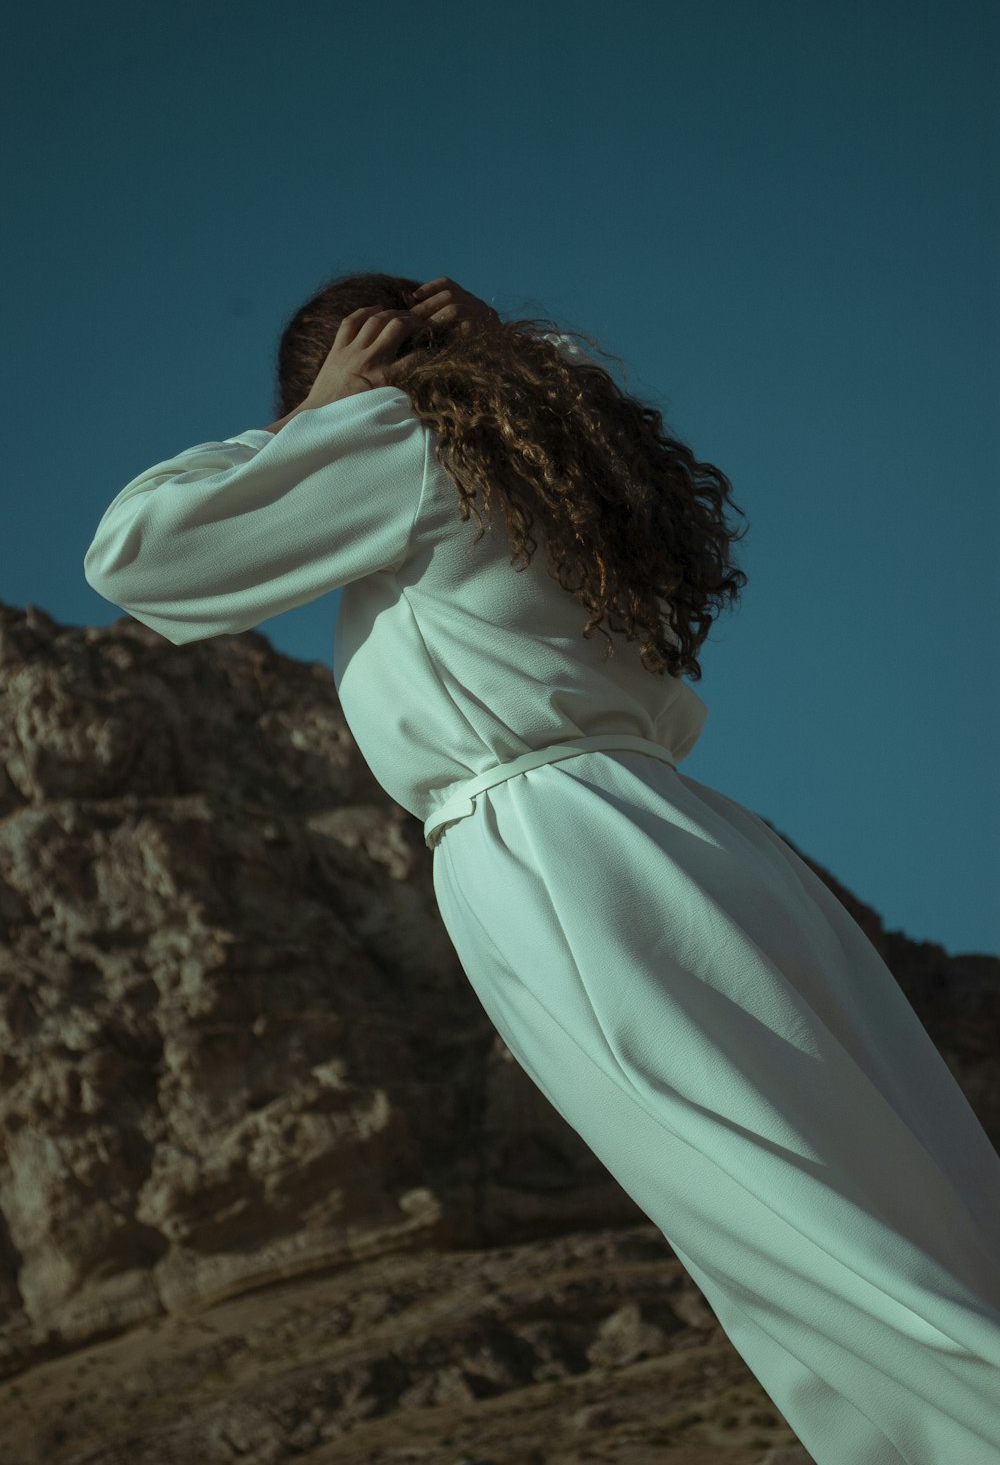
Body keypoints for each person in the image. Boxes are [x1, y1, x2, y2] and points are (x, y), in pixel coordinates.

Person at [84, 273, 1000, 1465]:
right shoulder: (567, 466)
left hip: (562, 848)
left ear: (366, 372)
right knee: (914, 1195)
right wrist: (510, 349)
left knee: (794, 1234)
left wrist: (309, 417)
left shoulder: (398, 440)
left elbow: (142, 553)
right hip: (699, 842)